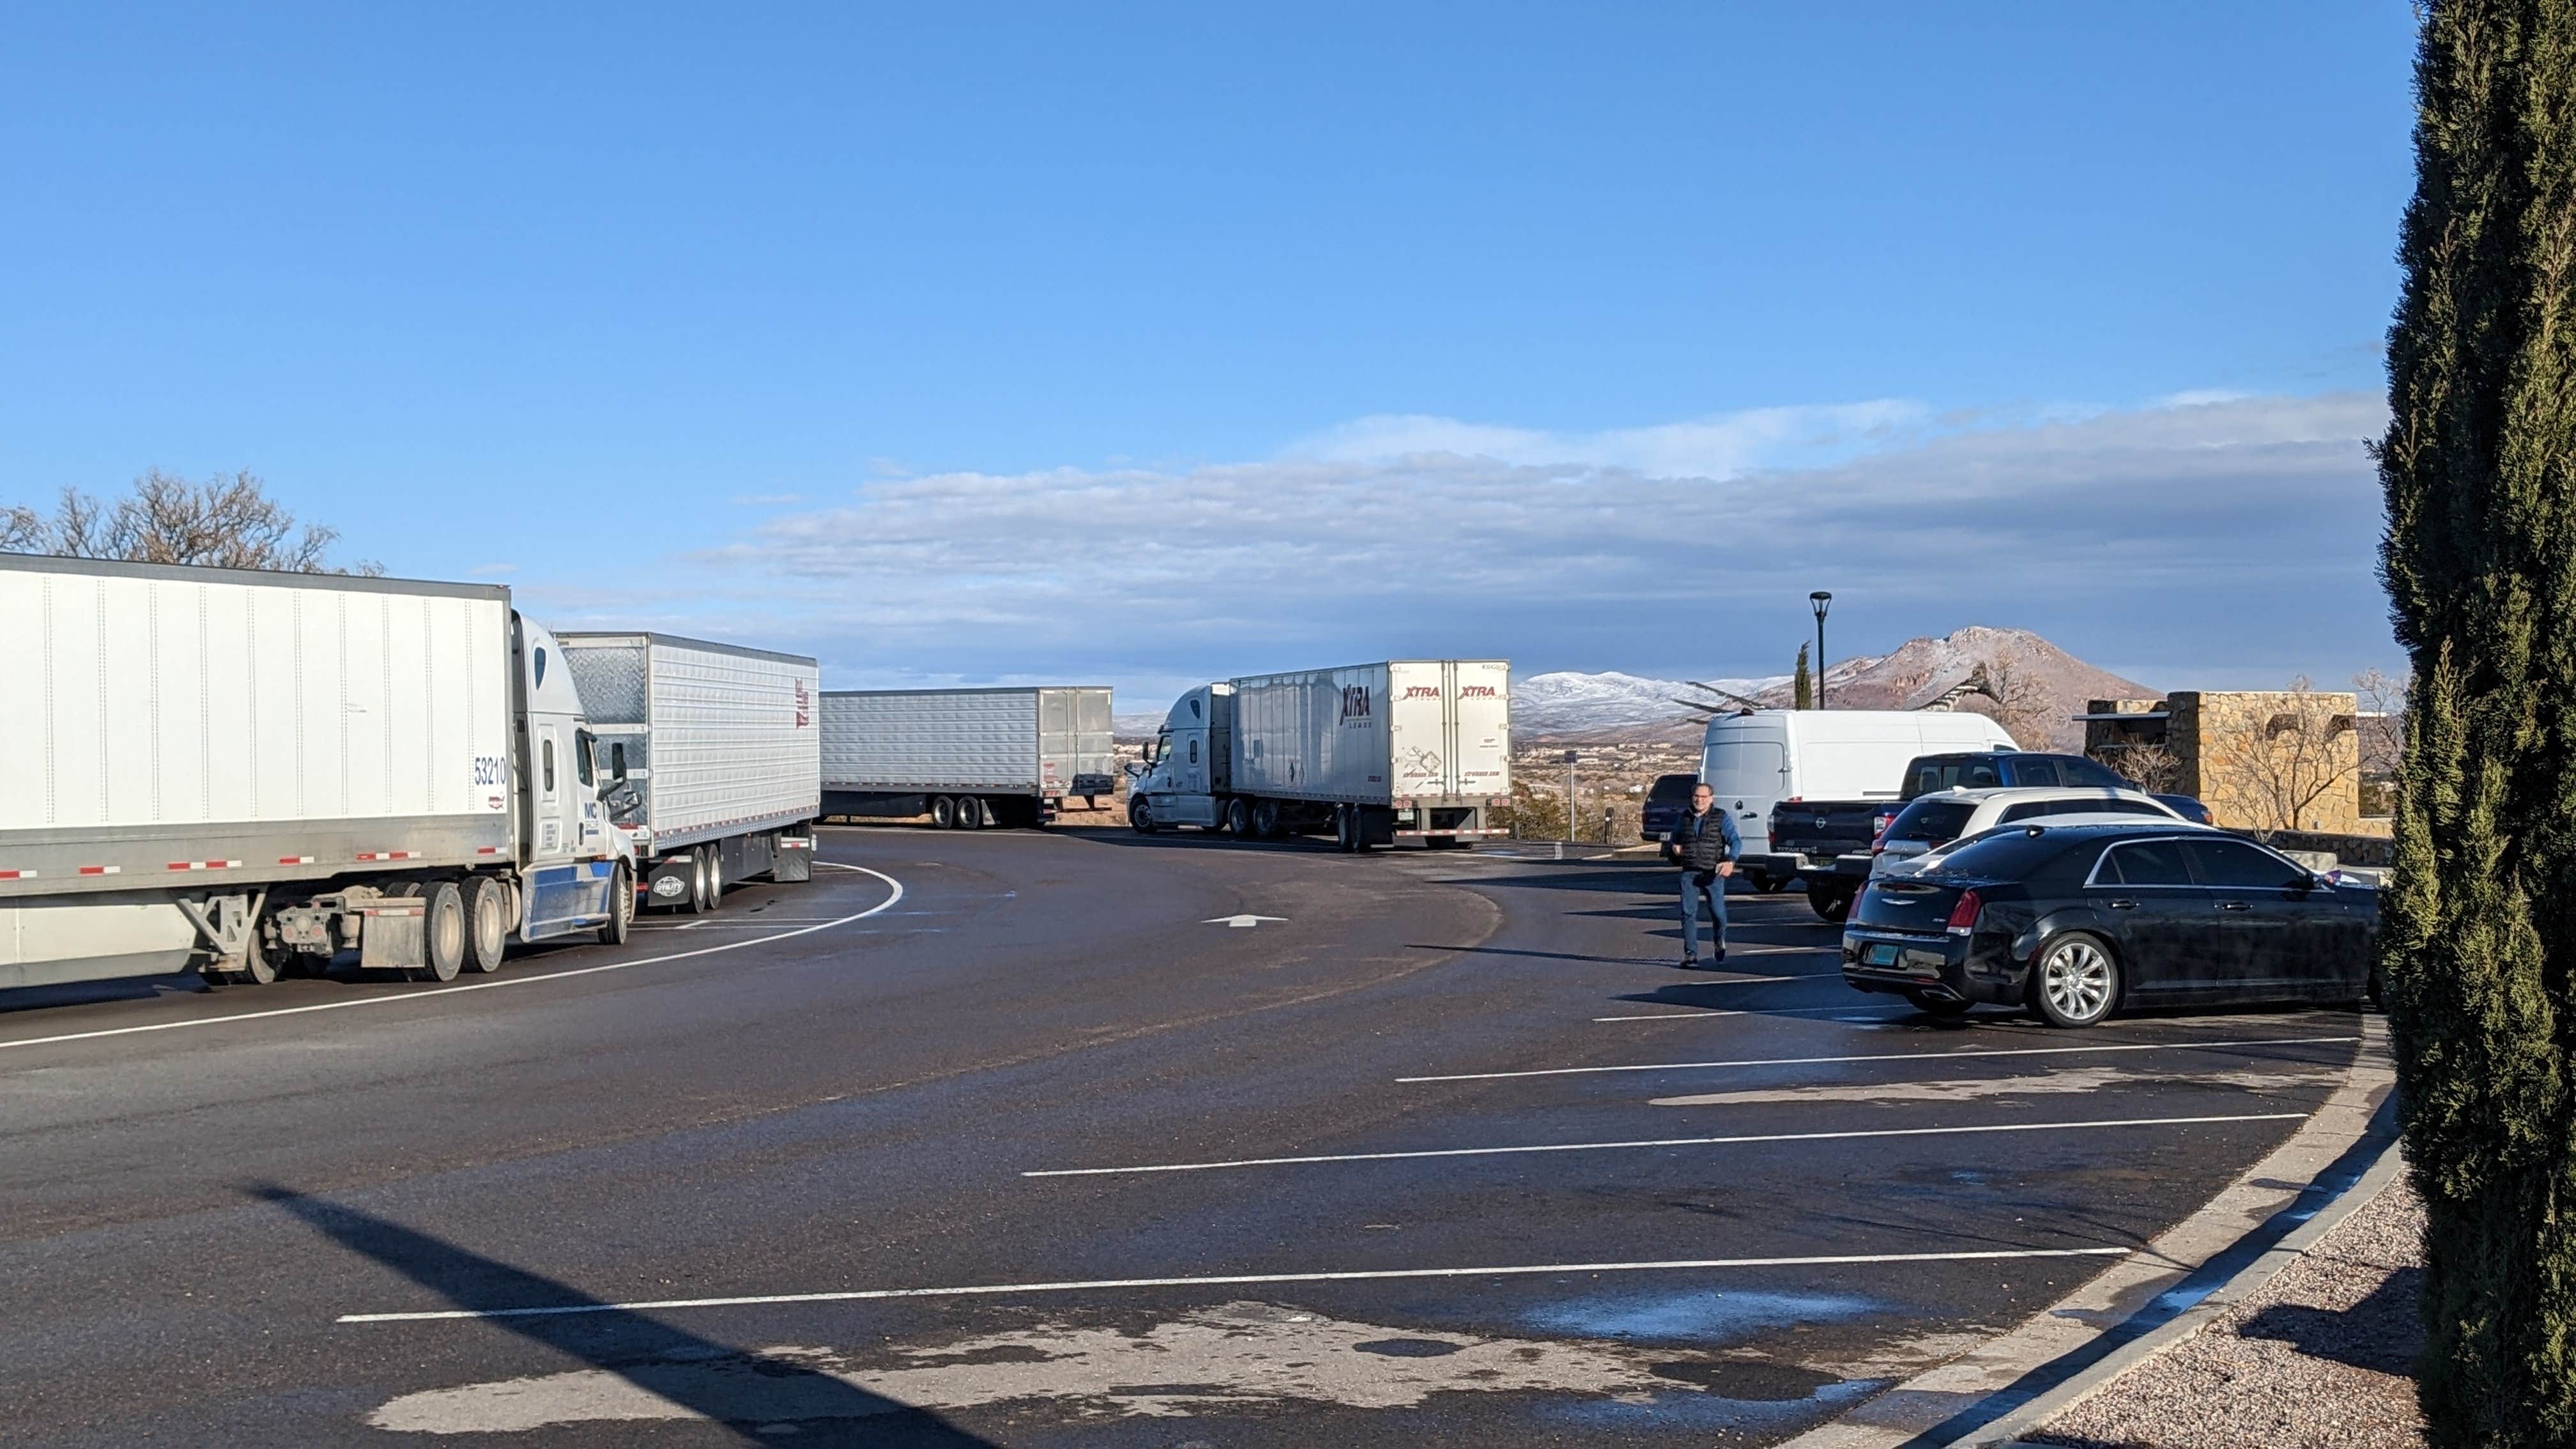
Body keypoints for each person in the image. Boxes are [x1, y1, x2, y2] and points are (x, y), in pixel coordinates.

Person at [1661, 782, 1740, 967]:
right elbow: (1674, 838)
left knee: (1718, 914)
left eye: (1704, 797)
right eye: (1697, 796)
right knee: (1688, 913)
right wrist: (1675, 847)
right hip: (1689, 872)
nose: (1699, 800)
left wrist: (1731, 861)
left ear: (1711, 799)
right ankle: (1691, 954)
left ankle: (1719, 941)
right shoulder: (1685, 818)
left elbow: (1735, 841)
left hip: (1713, 873)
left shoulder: (1721, 817)